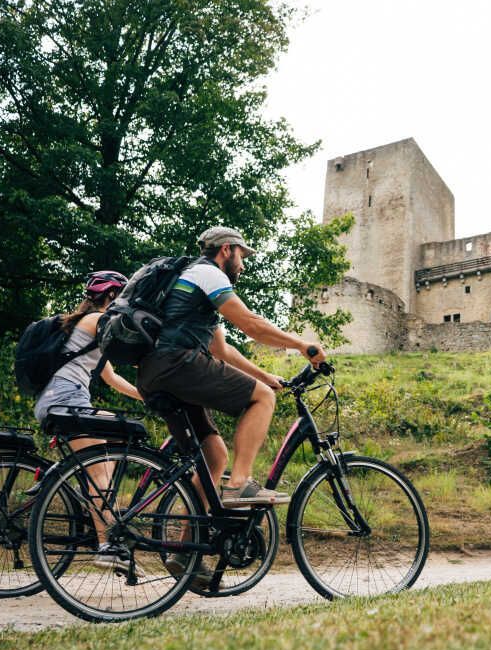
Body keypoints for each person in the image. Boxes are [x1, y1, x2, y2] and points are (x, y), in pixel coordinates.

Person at [135, 226, 325, 581]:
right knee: (261, 400)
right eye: (242, 255)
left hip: (155, 375)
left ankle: (184, 553)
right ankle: (240, 483)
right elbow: (252, 325)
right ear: (227, 250)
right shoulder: (208, 273)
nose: (243, 264)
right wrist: (303, 346)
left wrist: (266, 376)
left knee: (213, 456)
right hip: (179, 364)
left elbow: (222, 350)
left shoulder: (191, 283)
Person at [33, 270, 143, 570]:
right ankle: (106, 545)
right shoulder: (97, 321)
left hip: (59, 400)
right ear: (111, 296)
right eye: (122, 297)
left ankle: (95, 511)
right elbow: (131, 347)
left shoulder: (82, 325)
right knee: (101, 473)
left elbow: (110, 376)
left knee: (109, 451)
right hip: (67, 401)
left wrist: (145, 396)